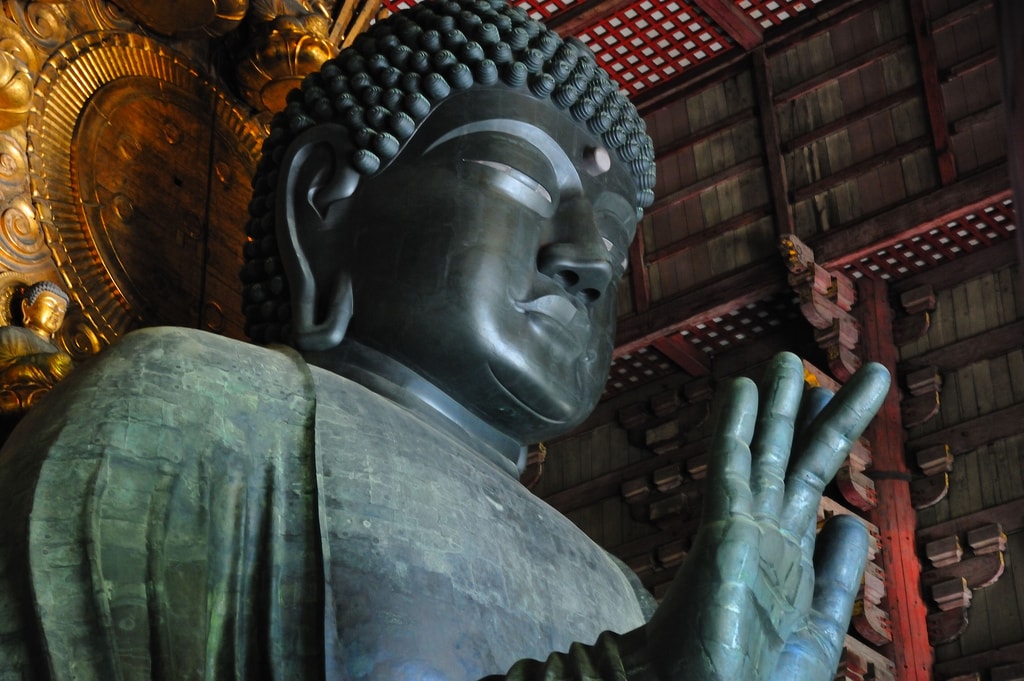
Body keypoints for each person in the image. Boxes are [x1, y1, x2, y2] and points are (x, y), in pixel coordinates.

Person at [0, 1, 890, 679]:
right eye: (522, 179)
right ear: (326, 201)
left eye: (616, 240)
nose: (588, 259)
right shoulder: (184, 408)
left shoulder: (626, 590)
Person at [0, 281, 73, 414]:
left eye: (62, 310)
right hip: (19, 398)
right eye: (50, 304)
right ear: (26, 307)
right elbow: (4, 375)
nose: (56, 312)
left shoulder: (59, 350)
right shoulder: (10, 335)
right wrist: (44, 363)